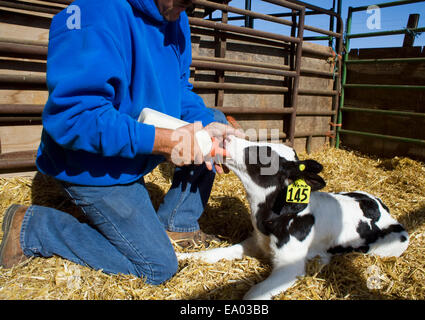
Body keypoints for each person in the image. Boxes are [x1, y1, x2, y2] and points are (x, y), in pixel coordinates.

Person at [0, 0, 243, 285]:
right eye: (180, 1)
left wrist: (206, 124)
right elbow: (75, 118)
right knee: (157, 267)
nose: (184, 8)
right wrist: (165, 142)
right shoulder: (93, 13)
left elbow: (180, 91)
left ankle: (178, 225)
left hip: (133, 145)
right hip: (90, 162)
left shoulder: (177, 16)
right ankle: (34, 227)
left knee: (212, 119)